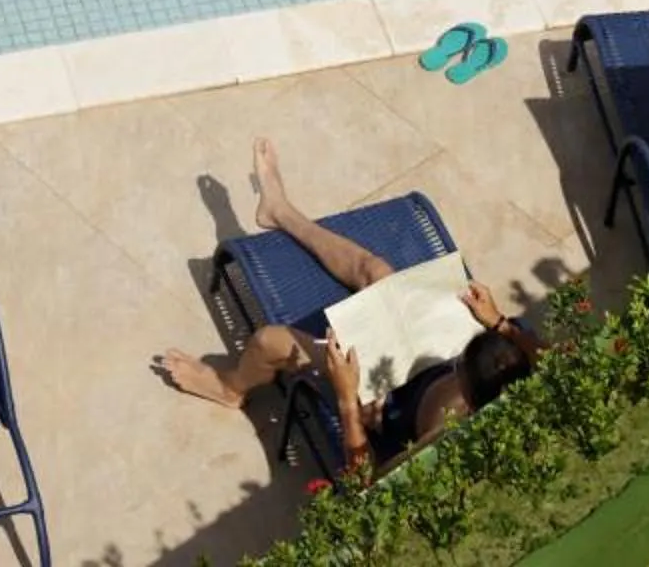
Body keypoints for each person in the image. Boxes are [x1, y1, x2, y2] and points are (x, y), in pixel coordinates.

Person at [155, 140, 542, 472]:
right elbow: (548, 356)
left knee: (269, 341)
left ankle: (230, 388)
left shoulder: (447, 441)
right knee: (374, 270)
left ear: (473, 397)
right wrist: (498, 323)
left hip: (384, 398)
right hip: (428, 355)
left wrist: (348, 397)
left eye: (464, 367)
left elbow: (368, 481)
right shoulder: (530, 382)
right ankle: (280, 212)